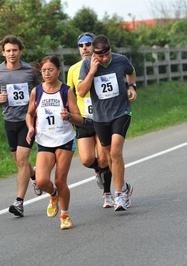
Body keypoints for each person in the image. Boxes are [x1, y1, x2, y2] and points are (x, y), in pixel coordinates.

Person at [77, 34, 136, 212]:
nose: (104, 58)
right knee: (109, 157)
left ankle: (120, 195)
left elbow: (131, 73)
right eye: (99, 56)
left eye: (106, 54)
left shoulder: (120, 59)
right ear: (94, 54)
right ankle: (124, 186)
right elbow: (80, 91)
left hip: (121, 112)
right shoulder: (87, 64)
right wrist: (93, 71)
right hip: (100, 117)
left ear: (110, 49)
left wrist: (132, 87)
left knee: (116, 152)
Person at [26, 55, 83, 230]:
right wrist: (30, 128)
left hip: (64, 140)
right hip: (44, 141)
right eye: (44, 70)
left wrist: (70, 116)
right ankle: (54, 195)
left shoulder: (66, 91)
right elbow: (29, 113)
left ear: (59, 70)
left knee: (60, 180)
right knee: (42, 181)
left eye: (51, 69)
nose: (47, 73)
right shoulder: (37, 91)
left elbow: (79, 119)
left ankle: (65, 216)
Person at [0, 35, 42, 218]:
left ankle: (19, 202)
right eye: (8, 50)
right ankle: (34, 176)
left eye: (15, 50)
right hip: (9, 121)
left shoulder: (30, 70)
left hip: (28, 120)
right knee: (20, 162)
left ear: (20, 51)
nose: (11, 53)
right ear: (3, 52)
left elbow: (42, 89)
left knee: (22, 159)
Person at [67, 32, 114, 208]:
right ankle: (99, 171)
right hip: (84, 119)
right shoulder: (73, 69)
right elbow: (69, 94)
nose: (84, 48)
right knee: (86, 159)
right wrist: (72, 115)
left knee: (104, 158)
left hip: (102, 117)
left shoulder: (103, 64)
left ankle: (108, 194)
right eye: (81, 45)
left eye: (88, 44)